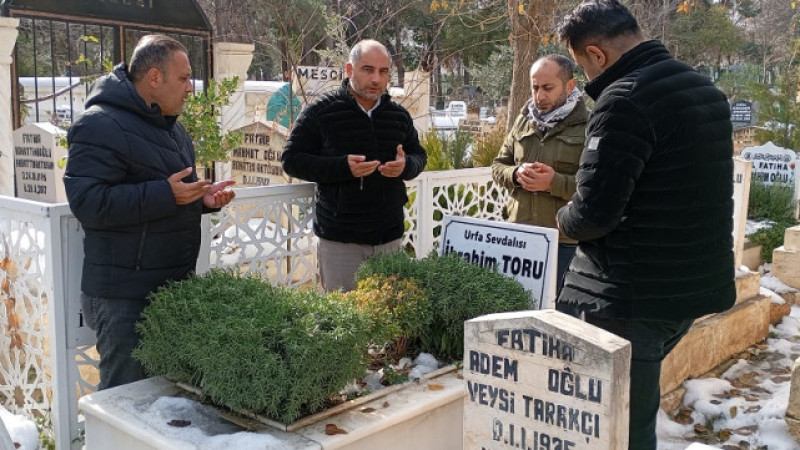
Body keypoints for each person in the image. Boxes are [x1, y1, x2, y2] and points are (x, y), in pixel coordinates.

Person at [554, 1, 736, 449]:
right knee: (633, 414)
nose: (589, 81)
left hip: (631, 296)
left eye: (583, 67)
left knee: (621, 426)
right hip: (686, 288)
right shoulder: (702, 88)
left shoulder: (625, 99)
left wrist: (560, 220)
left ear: (596, 54)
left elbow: (593, 215)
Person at [64, 34, 236, 390]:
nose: (191, 88)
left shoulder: (172, 128)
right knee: (123, 403)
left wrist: (199, 201)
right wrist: (166, 195)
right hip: (124, 297)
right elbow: (89, 203)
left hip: (167, 287)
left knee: (160, 402)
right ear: (154, 78)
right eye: (184, 78)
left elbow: (166, 196)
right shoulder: (99, 124)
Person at [281, 39, 427, 292]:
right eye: (367, 69)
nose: (376, 79)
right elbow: (292, 160)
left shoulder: (398, 116)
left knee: (388, 321)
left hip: (389, 238)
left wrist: (405, 166)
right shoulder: (321, 113)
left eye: (383, 72)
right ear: (349, 70)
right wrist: (342, 167)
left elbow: (418, 156)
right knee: (345, 324)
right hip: (341, 241)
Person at [491, 54, 587, 295]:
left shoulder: (589, 125)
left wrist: (553, 183)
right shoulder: (523, 121)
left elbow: (598, 186)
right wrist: (515, 174)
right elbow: (498, 166)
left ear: (570, 86)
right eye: (535, 87)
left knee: (561, 320)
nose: (539, 96)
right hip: (519, 237)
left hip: (564, 243)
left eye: (548, 88)